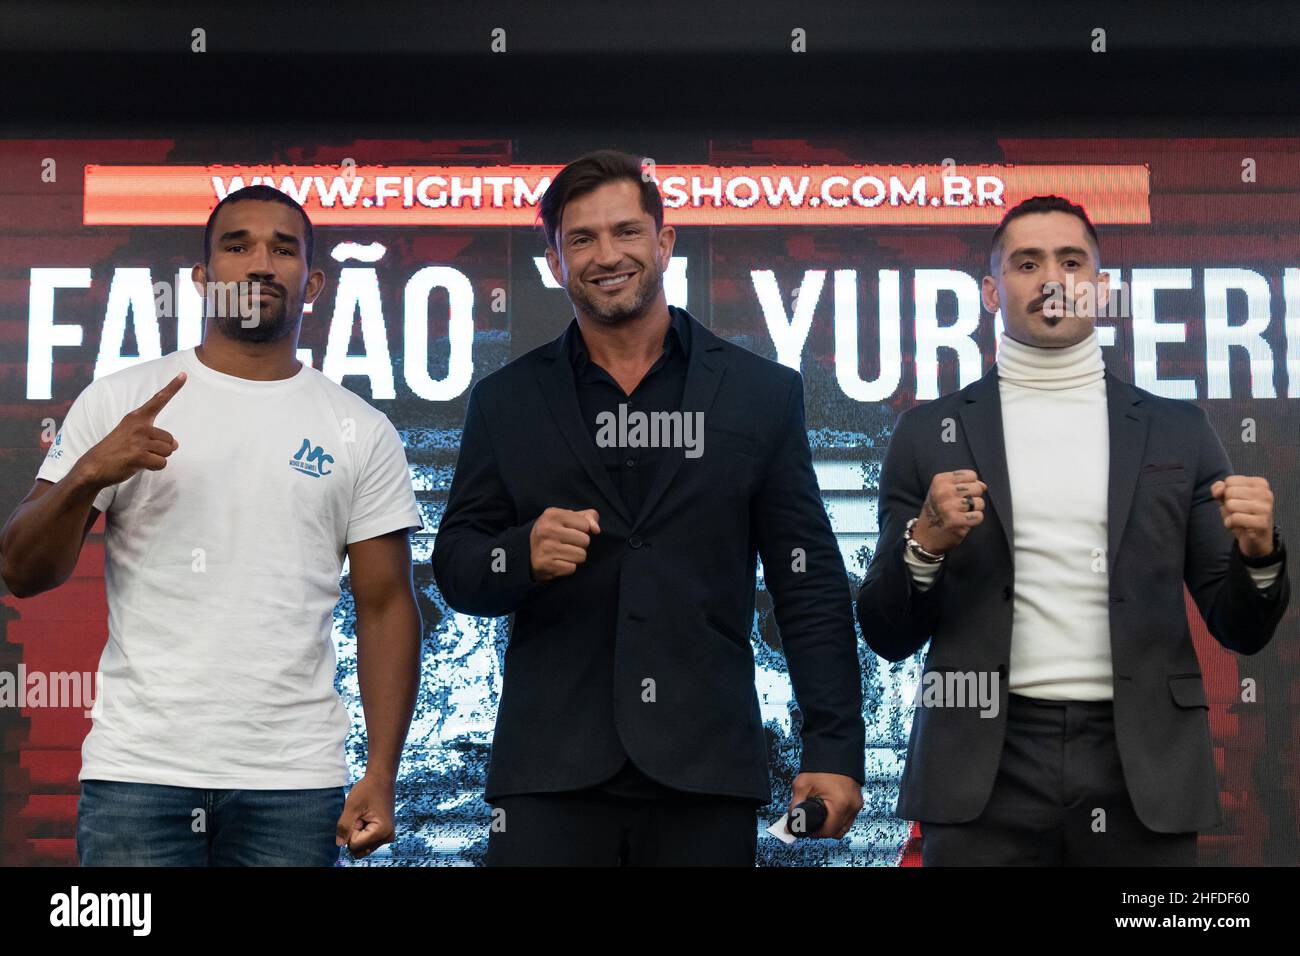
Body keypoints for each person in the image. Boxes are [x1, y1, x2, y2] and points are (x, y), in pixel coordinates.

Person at [432, 149, 865, 865]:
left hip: (706, 773)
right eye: (581, 238)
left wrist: (833, 747)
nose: (608, 255)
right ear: (553, 261)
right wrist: (520, 553)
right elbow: (456, 565)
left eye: (627, 232)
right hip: (550, 775)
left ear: (664, 242)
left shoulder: (760, 394)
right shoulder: (506, 401)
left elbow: (809, 582)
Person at [856, 194, 1289, 866]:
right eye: (1028, 263)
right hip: (981, 769)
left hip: (1140, 762)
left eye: (1071, 261)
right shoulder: (928, 433)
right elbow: (886, 632)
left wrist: (1259, 556)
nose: (1052, 278)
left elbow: (1240, 626)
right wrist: (924, 548)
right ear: (993, 292)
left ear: (1101, 288)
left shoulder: (1180, 430)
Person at [0, 185, 424, 866]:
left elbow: (385, 608)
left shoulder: (360, 431)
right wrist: (86, 476)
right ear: (202, 279)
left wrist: (380, 773)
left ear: (311, 282)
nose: (260, 263)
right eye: (237, 246)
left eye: (282, 249)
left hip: (293, 781)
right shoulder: (119, 401)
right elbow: (22, 571)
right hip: (139, 774)